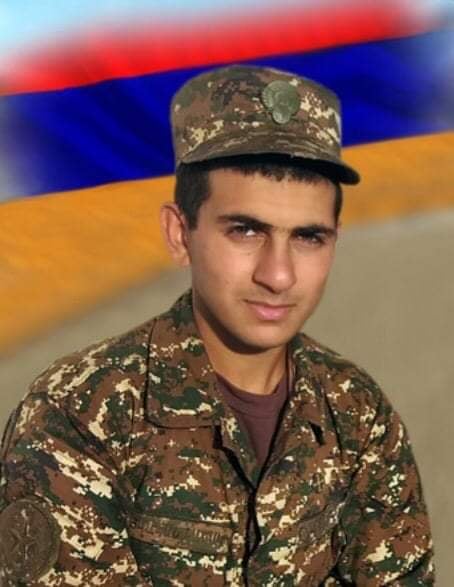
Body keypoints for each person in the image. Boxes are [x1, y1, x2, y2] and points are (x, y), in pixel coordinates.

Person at [0, 65, 434, 586]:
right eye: (245, 231)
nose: (278, 275)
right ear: (180, 233)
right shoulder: (79, 415)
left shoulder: (357, 412)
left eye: (308, 237)